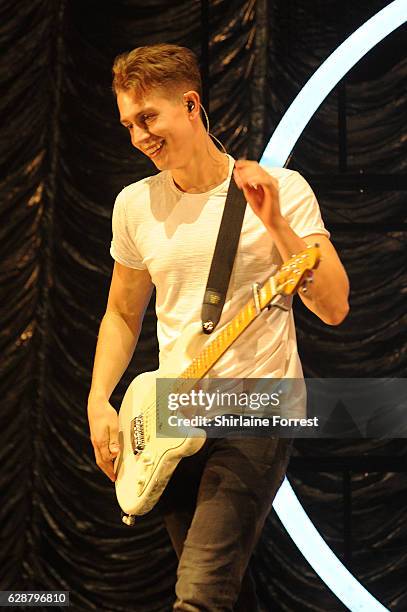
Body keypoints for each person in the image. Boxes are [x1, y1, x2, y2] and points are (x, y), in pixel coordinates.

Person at [87, 44, 349, 611]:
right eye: (129, 123)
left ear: (190, 105)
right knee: (219, 589)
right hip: (174, 420)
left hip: (258, 410)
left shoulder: (284, 189)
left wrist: (275, 221)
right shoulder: (134, 206)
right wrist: (98, 400)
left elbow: (333, 306)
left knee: (199, 594)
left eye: (149, 117)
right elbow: (122, 312)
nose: (138, 136)